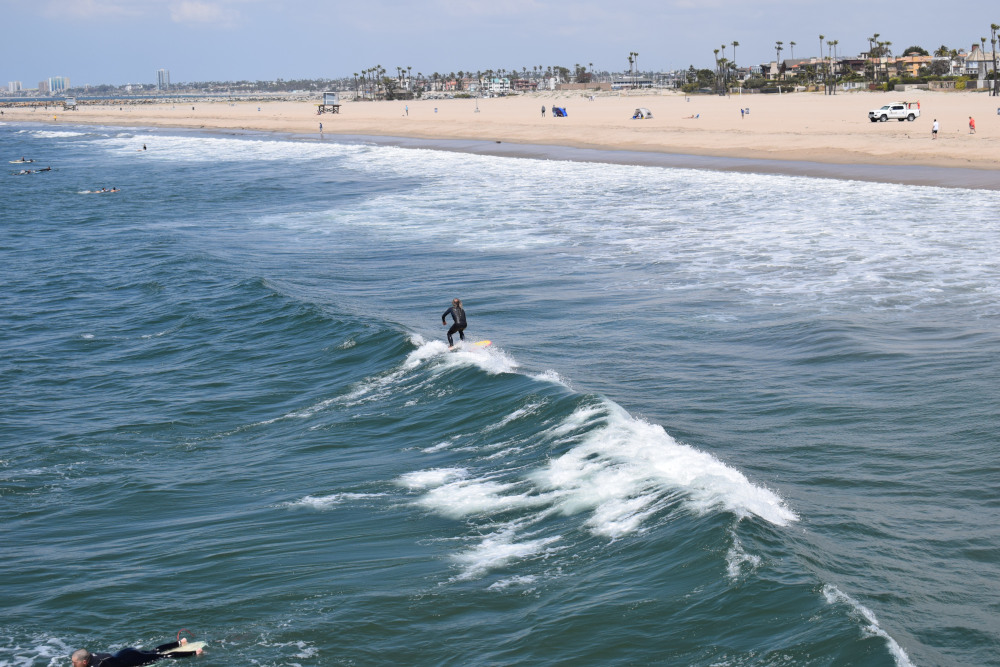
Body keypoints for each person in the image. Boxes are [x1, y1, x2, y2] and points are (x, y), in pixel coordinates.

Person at [70, 638, 201, 666]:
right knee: (153, 651)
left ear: (85, 661)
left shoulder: (96, 665)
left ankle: (195, 652)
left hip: (132, 659)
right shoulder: (90, 655)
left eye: (75, 663)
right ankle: (180, 643)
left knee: (162, 656)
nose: (73, 665)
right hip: (126, 652)